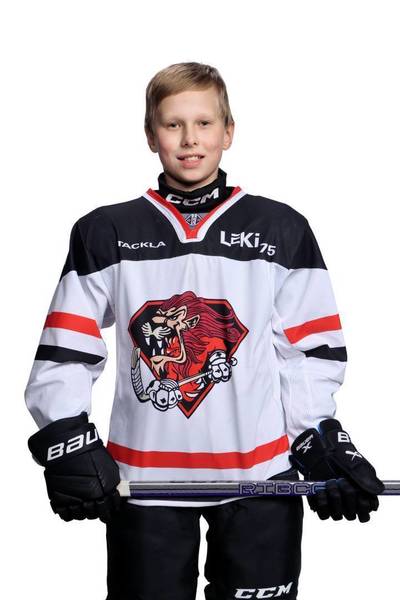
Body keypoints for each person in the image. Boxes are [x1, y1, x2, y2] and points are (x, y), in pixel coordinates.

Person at [25, 62, 384, 600]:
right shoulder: (106, 231)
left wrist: (316, 436)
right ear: (151, 135)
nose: (190, 139)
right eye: (173, 124)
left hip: (261, 476)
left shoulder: (281, 228)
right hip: (143, 481)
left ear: (228, 132)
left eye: (204, 123)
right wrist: (65, 436)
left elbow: (309, 351)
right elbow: (67, 348)